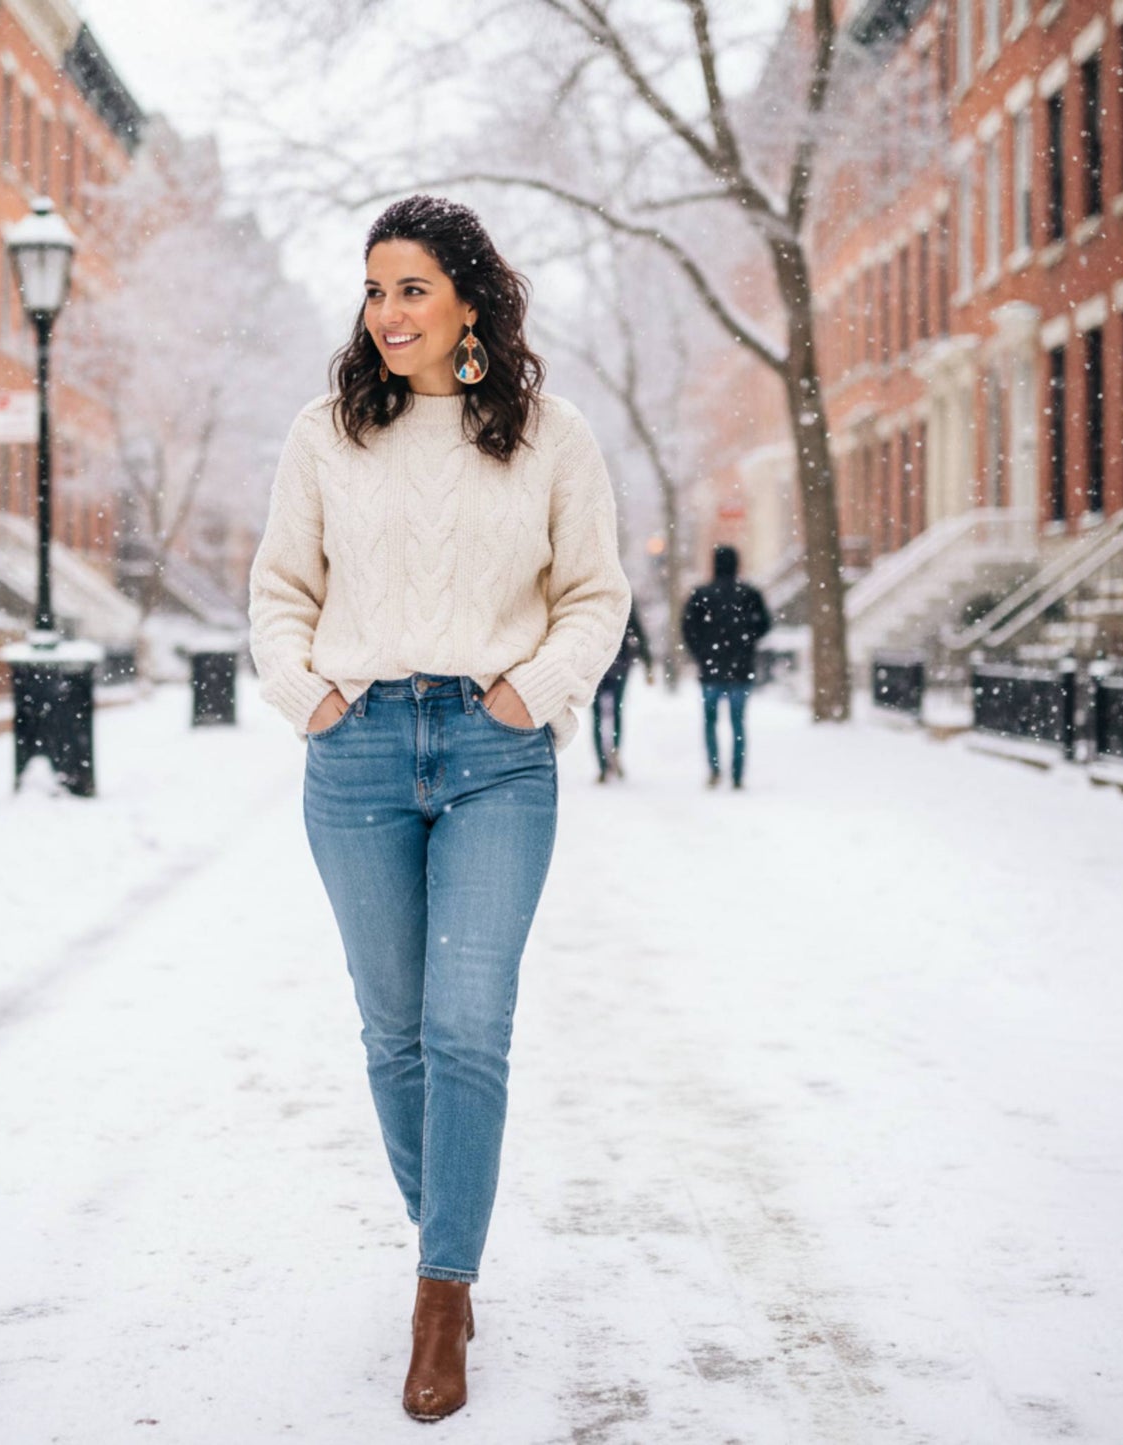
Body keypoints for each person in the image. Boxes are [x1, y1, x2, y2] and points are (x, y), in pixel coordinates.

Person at [248, 195, 631, 1423]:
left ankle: (436, 1287)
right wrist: (308, 696)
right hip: (354, 750)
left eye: (411, 288)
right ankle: (449, 1237)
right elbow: (277, 589)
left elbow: (594, 594)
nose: (387, 313)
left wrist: (533, 691)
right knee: (394, 1032)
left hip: (493, 752)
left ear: (470, 297)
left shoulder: (549, 435)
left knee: (467, 1025)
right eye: (372, 290)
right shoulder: (326, 432)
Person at [680, 545, 771, 790]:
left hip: (711, 670)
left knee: (710, 722)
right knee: (738, 723)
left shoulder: (702, 595)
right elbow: (764, 625)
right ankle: (738, 773)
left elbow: (688, 629)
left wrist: (701, 653)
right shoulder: (749, 594)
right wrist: (746, 642)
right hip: (740, 669)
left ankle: (714, 769)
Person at [591, 598, 654, 782]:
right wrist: (647, 663)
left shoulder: (593, 596)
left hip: (597, 665)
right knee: (616, 711)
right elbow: (638, 633)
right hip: (620, 664)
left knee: (597, 716)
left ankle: (603, 764)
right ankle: (615, 751)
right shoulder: (623, 597)